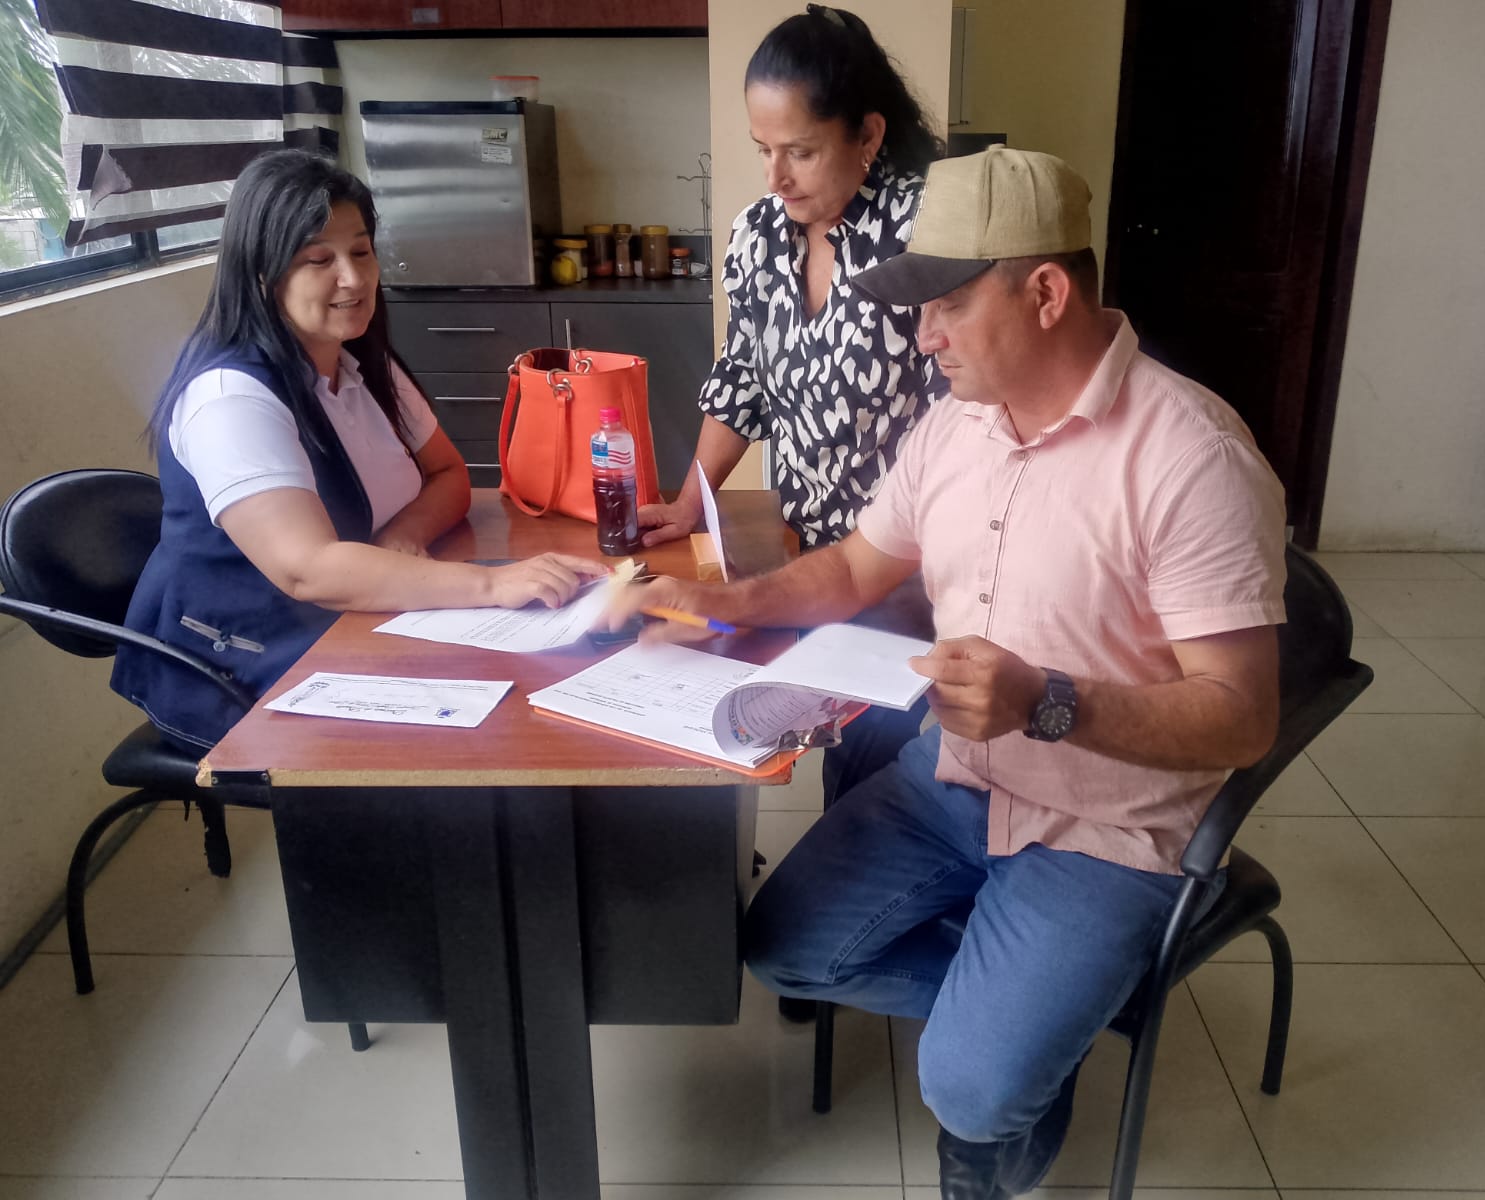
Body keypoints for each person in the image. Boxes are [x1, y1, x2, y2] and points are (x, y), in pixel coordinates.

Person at [610, 146, 1288, 1196]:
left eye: (947, 305)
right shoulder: (957, 425)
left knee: (968, 1090)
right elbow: (854, 566)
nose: (922, 335)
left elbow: (1241, 719)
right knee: (783, 952)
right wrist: (725, 605)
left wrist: (1047, 702)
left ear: (1046, 293)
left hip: (1106, 827)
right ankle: (1028, 1025)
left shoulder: (1189, 456)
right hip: (957, 778)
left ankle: (1002, 1081)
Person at [112, 149, 606, 753]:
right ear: (262, 272)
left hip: (351, 620)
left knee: (553, 678)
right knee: (489, 734)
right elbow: (309, 569)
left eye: (362, 252)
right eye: (319, 260)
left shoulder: (357, 360)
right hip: (246, 666)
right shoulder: (229, 398)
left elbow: (448, 473)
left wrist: (403, 537)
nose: (353, 278)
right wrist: (490, 586)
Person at [636, 3, 950, 804]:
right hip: (815, 558)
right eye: (763, 150)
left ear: (867, 135)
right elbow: (742, 376)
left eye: (801, 152)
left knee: (874, 774)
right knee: (800, 736)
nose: (775, 177)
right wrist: (690, 502)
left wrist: (918, 574)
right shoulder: (759, 236)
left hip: (916, 570)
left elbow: (965, 418)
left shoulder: (924, 232)